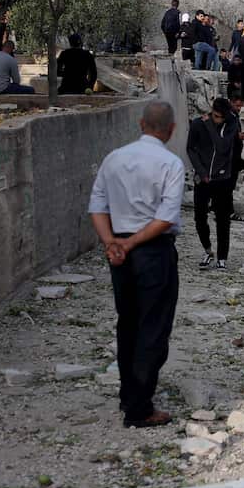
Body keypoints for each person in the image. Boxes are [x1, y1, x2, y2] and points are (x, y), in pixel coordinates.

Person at [88, 101, 184, 428]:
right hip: (152, 250)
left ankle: (128, 394)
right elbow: (165, 218)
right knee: (153, 326)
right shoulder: (171, 163)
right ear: (170, 130)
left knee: (127, 322)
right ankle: (140, 407)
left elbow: (97, 206)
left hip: (120, 253)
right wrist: (128, 243)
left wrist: (111, 243)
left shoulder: (113, 158)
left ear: (141, 124)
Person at [187, 97, 239, 271]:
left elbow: (222, 146)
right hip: (203, 179)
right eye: (215, 116)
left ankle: (222, 257)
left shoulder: (231, 124)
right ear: (211, 110)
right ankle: (208, 250)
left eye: (221, 118)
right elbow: (191, 149)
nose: (218, 120)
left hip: (223, 179)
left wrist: (210, 124)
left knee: (223, 219)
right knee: (200, 217)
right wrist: (201, 172)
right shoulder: (197, 124)